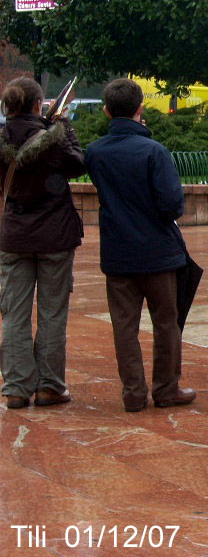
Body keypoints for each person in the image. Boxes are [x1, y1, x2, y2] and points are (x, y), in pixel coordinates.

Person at [85, 78, 195, 412]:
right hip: (158, 252)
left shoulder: (95, 153)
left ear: (107, 111)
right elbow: (172, 204)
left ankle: (133, 393)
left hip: (118, 252)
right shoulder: (154, 151)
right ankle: (166, 389)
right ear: (140, 108)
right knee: (166, 323)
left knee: (124, 327)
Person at [0, 78, 85, 410]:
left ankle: (16, 388)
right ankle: (50, 386)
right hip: (55, 237)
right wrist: (64, 125)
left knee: (14, 315)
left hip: (13, 236)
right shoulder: (55, 139)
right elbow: (78, 164)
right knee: (52, 314)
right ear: (39, 105)